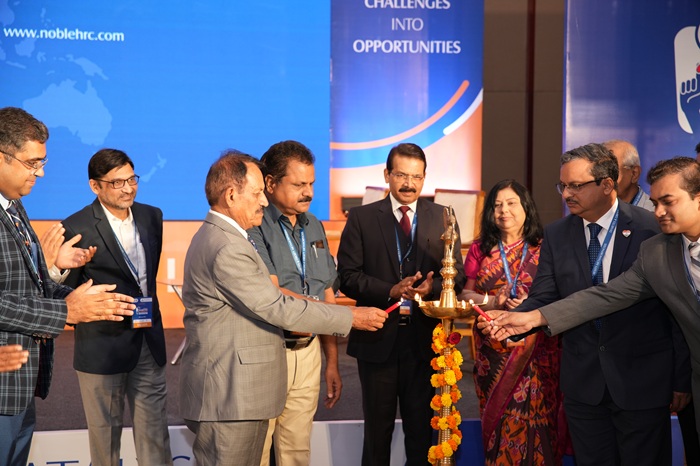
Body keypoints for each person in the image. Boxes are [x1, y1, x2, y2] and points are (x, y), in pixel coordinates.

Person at [482, 146, 692, 466]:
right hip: (583, 383)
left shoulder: (652, 228)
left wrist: (680, 379)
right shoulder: (557, 234)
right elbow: (545, 295)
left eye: (576, 186)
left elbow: (675, 311)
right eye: (563, 186)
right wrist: (513, 319)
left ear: (607, 185)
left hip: (642, 380)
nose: (567, 194)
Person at [179, 150, 387, 466]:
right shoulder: (228, 246)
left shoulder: (225, 237)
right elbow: (275, 306)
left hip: (239, 391)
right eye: (257, 193)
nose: (263, 201)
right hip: (230, 397)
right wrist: (349, 316)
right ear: (231, 195)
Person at [0, 106, 135, 465]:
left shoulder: (14, 206)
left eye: (42, 162)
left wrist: (81, 299)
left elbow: (26, 288)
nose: (41, 173)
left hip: (19, 385)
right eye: (32, 163)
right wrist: (66, 310)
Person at [337, 142, 467, 466]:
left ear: (424, 178)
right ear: (387, 175)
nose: (409, 184)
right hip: (377, 339)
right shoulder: (363, 218)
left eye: (416, 177)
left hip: (425, 342)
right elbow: (348, 277)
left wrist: (432, 287)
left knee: (422, 434)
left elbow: (458, 276)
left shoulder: (443, 216)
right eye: (401, 175)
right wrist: (391, 290)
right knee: (377, 435)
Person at [61, 148, 172, 466]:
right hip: (102, 348)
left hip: (148, 340)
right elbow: (66, 294)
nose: (128, 189)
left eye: (132, 179)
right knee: (105, 445)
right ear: (95, 186)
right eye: (117, 182)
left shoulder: (152, 217)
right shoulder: (77, 226)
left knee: (156, 439)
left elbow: (145, 279)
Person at [457, 179, 566, 465]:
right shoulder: (480, 248)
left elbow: (562, 293)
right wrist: (493, 301)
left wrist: (532, 303)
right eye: (497, 205)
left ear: (526, 207)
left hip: (538, 347)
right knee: (498, 418)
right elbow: (465, 294)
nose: (504, 210)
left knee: (540, 418)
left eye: (511, 203)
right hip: (493, 348)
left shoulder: (546, 247)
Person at [248, 140, 341, 466]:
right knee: (258, 452)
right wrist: (345, 316)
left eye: (311, 184)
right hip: (270, 351)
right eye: (299, 184)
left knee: (297, 453)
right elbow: (272, 293)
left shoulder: (313, 225)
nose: (309, 192)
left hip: (309, 353)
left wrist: (331, 362)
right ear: (270, 183)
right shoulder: (254, 224)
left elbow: (327, 294)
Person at [603, 139, 655, 210]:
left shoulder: (653, 214)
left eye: (611, 170)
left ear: (634, 174)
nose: (603, 178)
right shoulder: (594, 210)